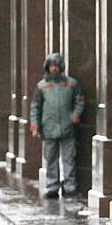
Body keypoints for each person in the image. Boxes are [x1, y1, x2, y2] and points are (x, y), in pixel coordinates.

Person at [30, 53, 84, 199]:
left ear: (61, 67)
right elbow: (35, 107)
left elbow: (79, 101)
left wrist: (75, 116)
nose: (54, 69)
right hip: (49, 128)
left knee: (69, 158)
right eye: (51, 66)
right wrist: (35, 126)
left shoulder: (72, 84)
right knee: (51, 158)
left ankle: (69, 186)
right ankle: (52, 186)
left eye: (56, 65)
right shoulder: (41, 86)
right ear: (47, 67)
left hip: (67, 127)